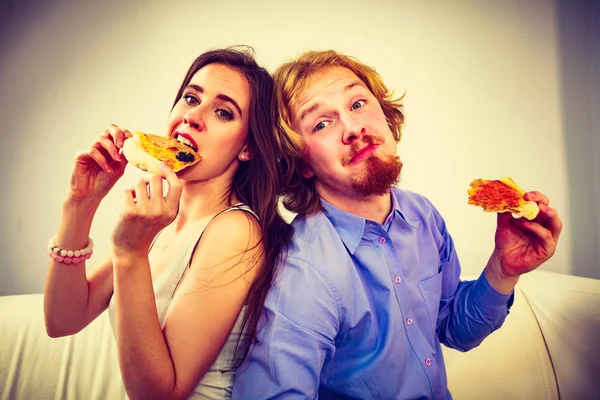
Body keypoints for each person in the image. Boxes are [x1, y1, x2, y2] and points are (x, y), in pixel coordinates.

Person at [232, 50, 563, 399]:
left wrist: (503, 269)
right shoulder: (303, 270)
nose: (353, 128)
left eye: (357, 103)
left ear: (387, 118)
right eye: (321, 123)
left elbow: (455, 330)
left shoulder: (423, 216)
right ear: (302, 163)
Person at [43, 46, 292, 400]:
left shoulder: (235, 230)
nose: (194, 116)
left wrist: (130, 253)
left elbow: (160, 394)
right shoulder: (160, 222)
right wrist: (81, 203)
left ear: (247, 147)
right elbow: (62, 320)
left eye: (223, 112)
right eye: (191, 98)